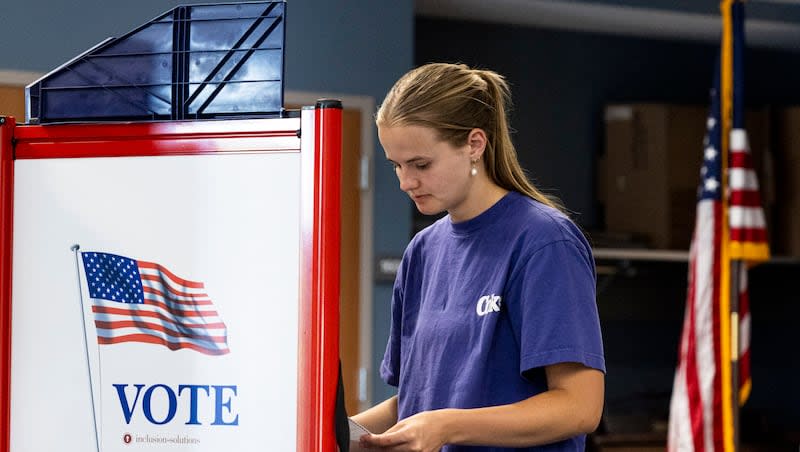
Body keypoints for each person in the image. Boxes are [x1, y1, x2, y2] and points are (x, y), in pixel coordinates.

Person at [352, 62, 605, 452]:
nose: (405, 182)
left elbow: (579, 408)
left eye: (421, 164)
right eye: (396, 166)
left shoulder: (544, 242)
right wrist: (335, 432)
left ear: (474, 144)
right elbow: (417, 402)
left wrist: (447, 426)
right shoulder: (422, 252)